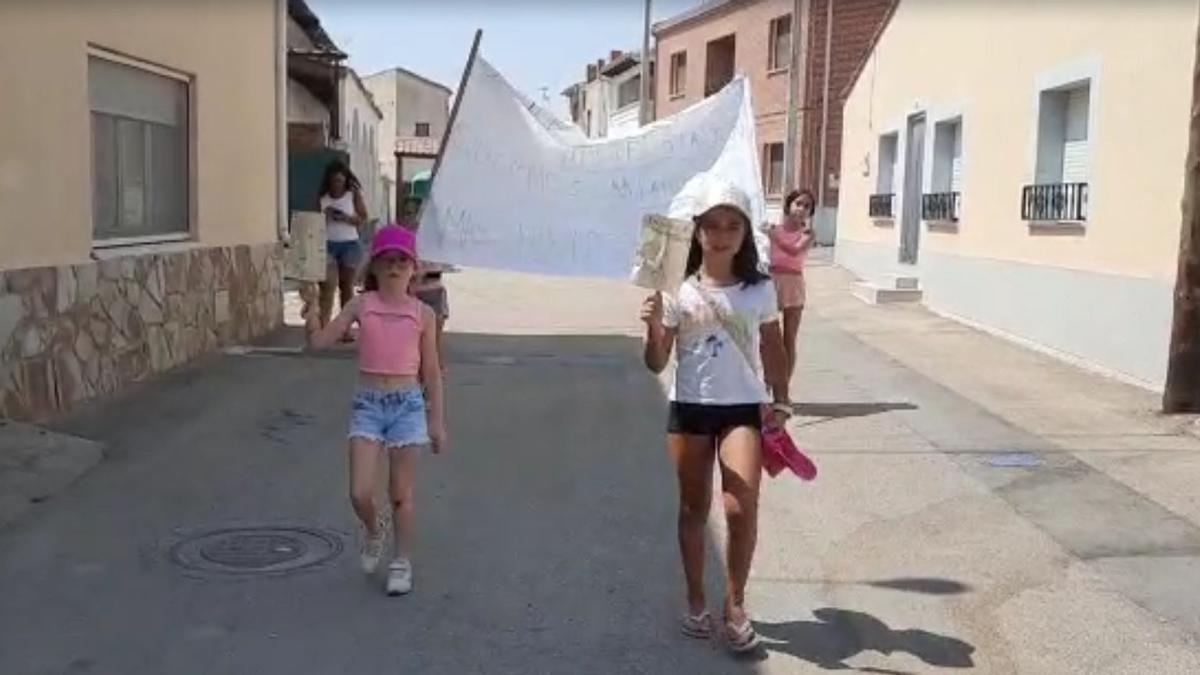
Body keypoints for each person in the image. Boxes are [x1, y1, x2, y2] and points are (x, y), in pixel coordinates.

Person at [640, 177, 791, 653]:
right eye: (712, 226)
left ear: (746, 234)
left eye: (732, 226)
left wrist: (782, 399)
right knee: (693, 508)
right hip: (690, 409)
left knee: (739, 507)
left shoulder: (759, 290)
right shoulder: (675, 290)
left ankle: (736, 605)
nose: (722, 235)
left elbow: (773, 346)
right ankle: (696, 600)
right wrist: (652, 326)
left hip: (741, 410)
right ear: (697, 231)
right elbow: (656, 362)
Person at [303, 224, 447, 597]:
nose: (395, 267)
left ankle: (401, 561)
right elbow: (320, 343)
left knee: (401, 493)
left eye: (403, 261)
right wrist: (311, 316)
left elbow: (431, 371)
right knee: (359, 492)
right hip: (368, 404)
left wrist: (436, 421)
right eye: (388, 261)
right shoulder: (361, 305)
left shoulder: (422, 315)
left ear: (413, 268)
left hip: (407, 406)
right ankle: (373, 529)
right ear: (375, 267)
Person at [317, 160, 369, 338]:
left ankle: (344, 329)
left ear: (345, 181)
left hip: (350, 244)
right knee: (327, 286)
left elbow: (363, 218)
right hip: (327, 244)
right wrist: (326, 215)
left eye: (340, 181)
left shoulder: (352, 195)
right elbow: (314, 223)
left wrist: (346, 218)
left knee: (346, 287)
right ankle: (323, 328)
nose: (336, 185)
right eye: (333, 181)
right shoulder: (322, 198)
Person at [768, 189, 816, 378]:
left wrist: (773, 237)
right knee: (769, 337)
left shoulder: (808, 233)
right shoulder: (775, 229)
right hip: (772, 282)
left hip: (793, 284)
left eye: (807, 206)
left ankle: (784, 388)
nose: (802, 209)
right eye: (798, 203)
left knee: (789, 338)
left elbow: (794, 251)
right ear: (789, 205)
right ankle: (766, 384)